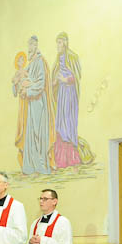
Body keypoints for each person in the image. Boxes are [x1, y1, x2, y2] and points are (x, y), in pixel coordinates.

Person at [18, 36, 52, 175]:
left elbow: (41, 83)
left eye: (31, 45)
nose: (29, 47)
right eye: (29, 45)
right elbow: (24, 78)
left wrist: (28, 89)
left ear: (36, 45)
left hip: (38, 103)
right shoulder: (31, 63)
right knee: (31, 134)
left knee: (38, 134)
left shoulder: (39, 62)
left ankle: (41, 166)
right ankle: (31, 166)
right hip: (31, 104)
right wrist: (21, 86)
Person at [51, 32, 82, 169]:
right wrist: (54, 82)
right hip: (61, 94)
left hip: (69, 94)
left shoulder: (72, 57)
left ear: (65, 43)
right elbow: (55, 75)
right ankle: (61, 159)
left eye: (59, 42)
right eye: (57, 43)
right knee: (60, 123)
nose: (58, 45)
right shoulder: (58, 59)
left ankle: (71, 158)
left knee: (68, 124)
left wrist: (65, 79)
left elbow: (77, 76)